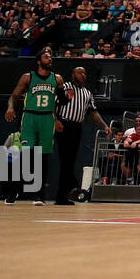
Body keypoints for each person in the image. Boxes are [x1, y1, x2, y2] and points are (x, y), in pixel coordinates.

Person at [3, 47, 65, 205]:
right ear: (39, 61)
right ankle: (13, 191)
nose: (50, 59)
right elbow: (14, 96)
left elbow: (59, 102)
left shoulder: (57, 79)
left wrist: (56, 119)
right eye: (46, 57)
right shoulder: (27, 77)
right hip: (30, 116)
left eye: (50, 57)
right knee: (25, 156)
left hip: (47, 119)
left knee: (43, 158)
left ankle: (39, 195)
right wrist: (10, 107)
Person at [54, 66, 111, 204]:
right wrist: (55, 120)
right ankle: (72, 189)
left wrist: (104, 126)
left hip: (77, 127)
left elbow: (93, 113)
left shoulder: (87, 93)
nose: (83, 75)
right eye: (80, 72)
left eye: (85, 73)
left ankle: (63, 196)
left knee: (70, 161)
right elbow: (52, 104)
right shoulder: (65, 86)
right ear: (73, 75)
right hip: (63, 124)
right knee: (66, 160)